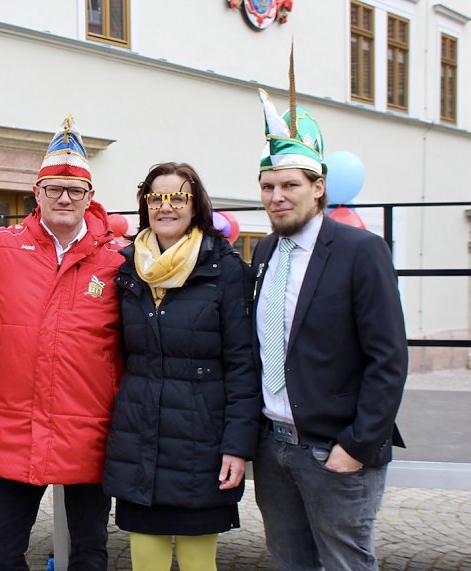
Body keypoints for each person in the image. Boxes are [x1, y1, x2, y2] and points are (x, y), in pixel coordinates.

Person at [251, 84, 408, 570]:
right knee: (289, 561)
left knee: (345, 563)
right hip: (274, 448)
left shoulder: (361, 250)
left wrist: (357, 444)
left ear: (318, 187)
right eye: (268, 186)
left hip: (335, 452)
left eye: (290, 185)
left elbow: (389, 358)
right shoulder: (263, 253)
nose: (277, 197)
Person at [0, 115, 123, 571]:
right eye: (53, 188)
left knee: (90, 552)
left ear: (90, 198)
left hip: (89, 428)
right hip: (14, 428)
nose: (64, 197)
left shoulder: (118, 261)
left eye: (74, 190)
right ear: (35, 194)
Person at [102, 162, 261, 571]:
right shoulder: (127, 269)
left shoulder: (225, 270)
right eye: (156, 197)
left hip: (201, 442)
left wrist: (237, 446)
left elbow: (244, 365)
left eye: (178, 197)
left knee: (196, 562)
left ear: (196, 205)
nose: (165, 207)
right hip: (140, 438)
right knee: (146, 559)